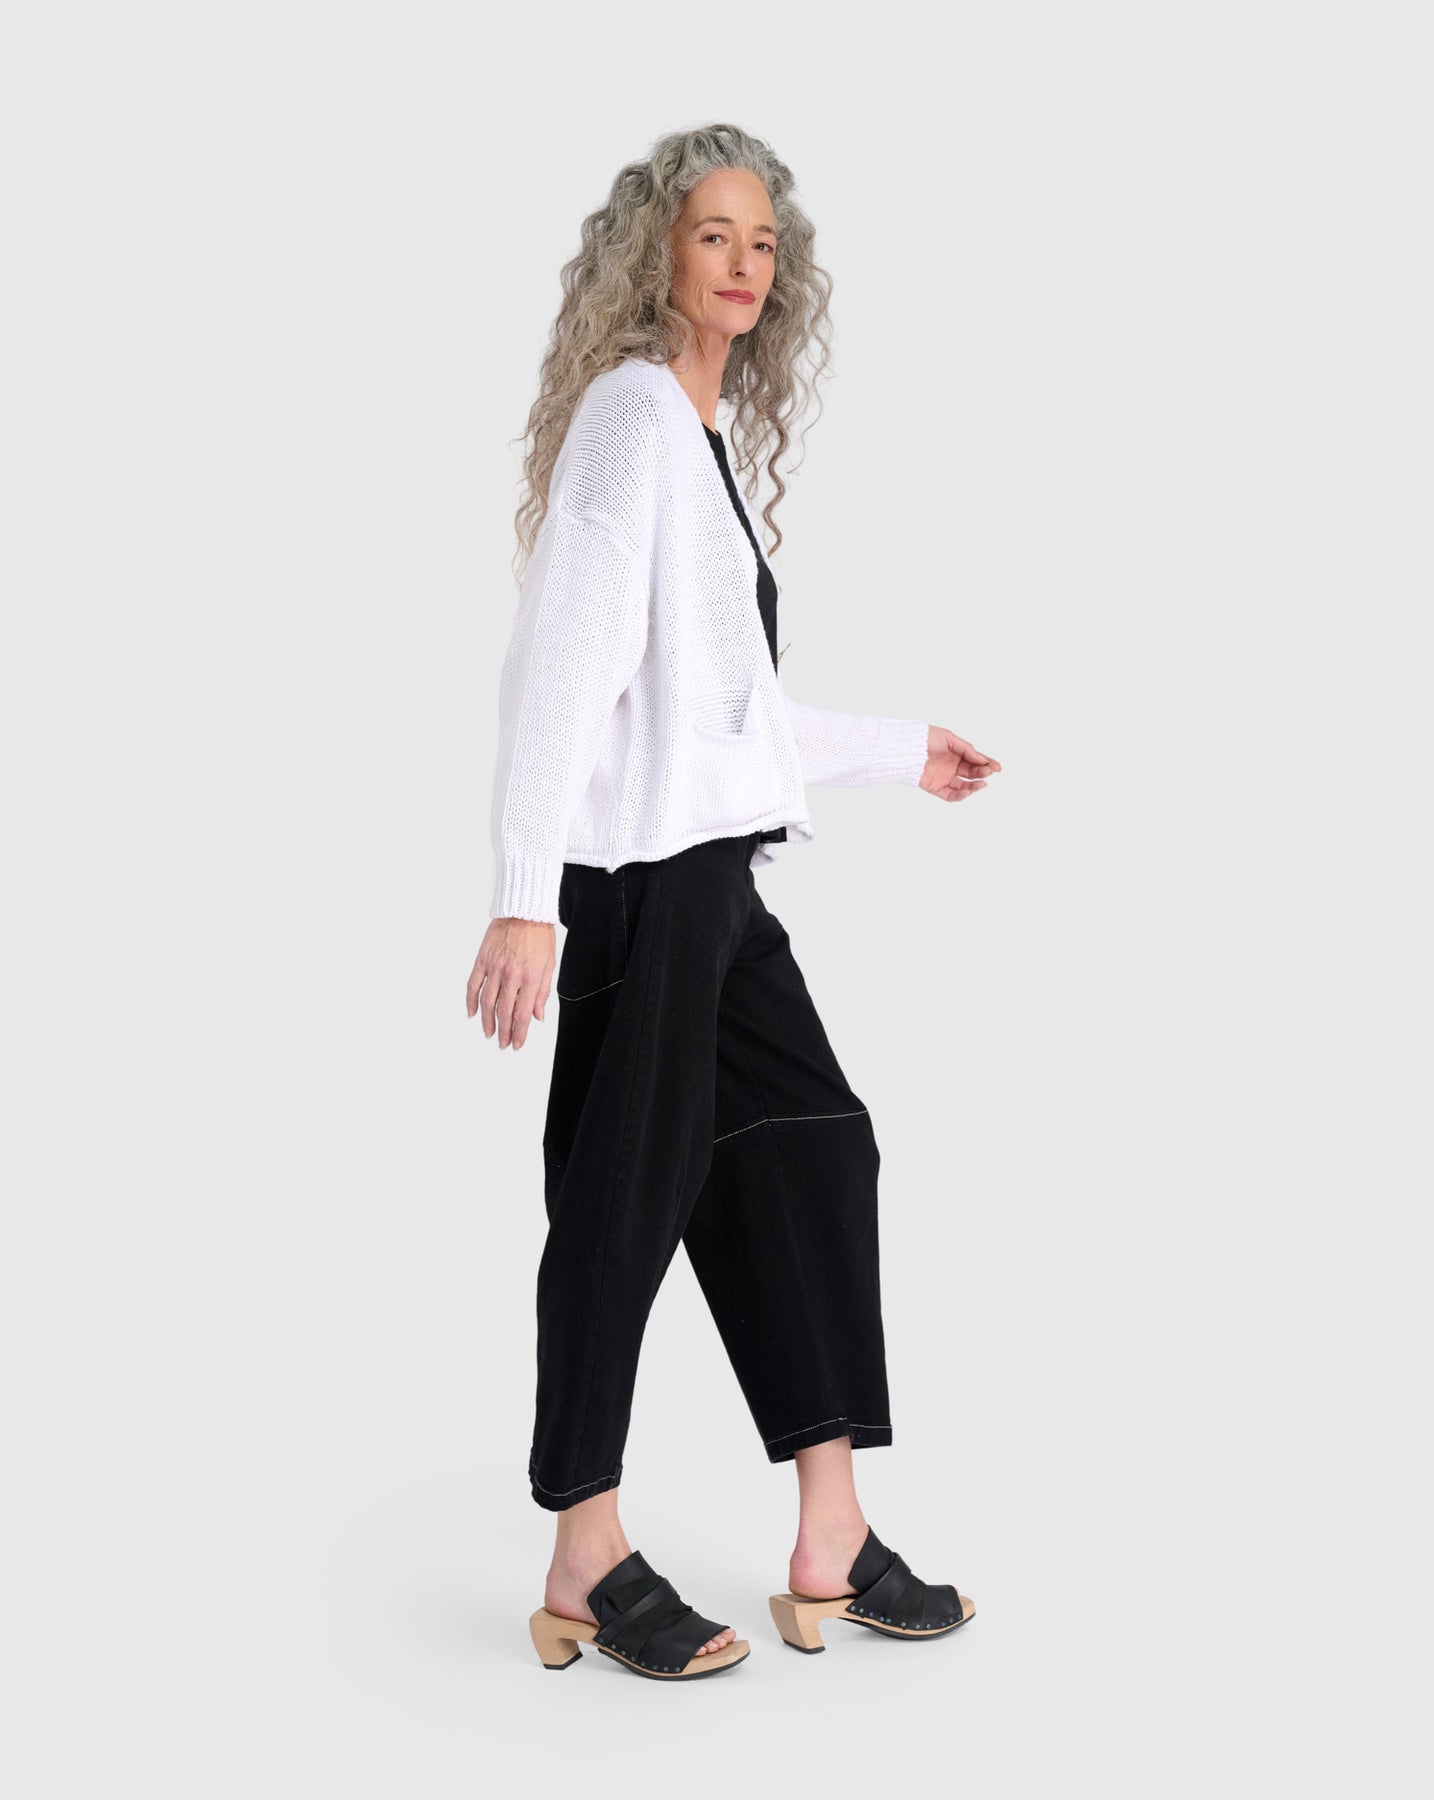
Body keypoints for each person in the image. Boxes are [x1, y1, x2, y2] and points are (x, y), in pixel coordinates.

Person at [465, 123, 1002, 1682]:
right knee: (622, 1203)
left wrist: (904, 750)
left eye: (765, 241)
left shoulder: (698, 443)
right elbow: (561, 665)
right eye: (715, 235)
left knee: (816, 1143)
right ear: (657, 253)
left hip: (715, 883)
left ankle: (830, 1535)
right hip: (638, 890)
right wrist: (524, 895)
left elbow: (728, 726)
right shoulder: (634, 417)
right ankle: (584, 1551)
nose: (746, 264)